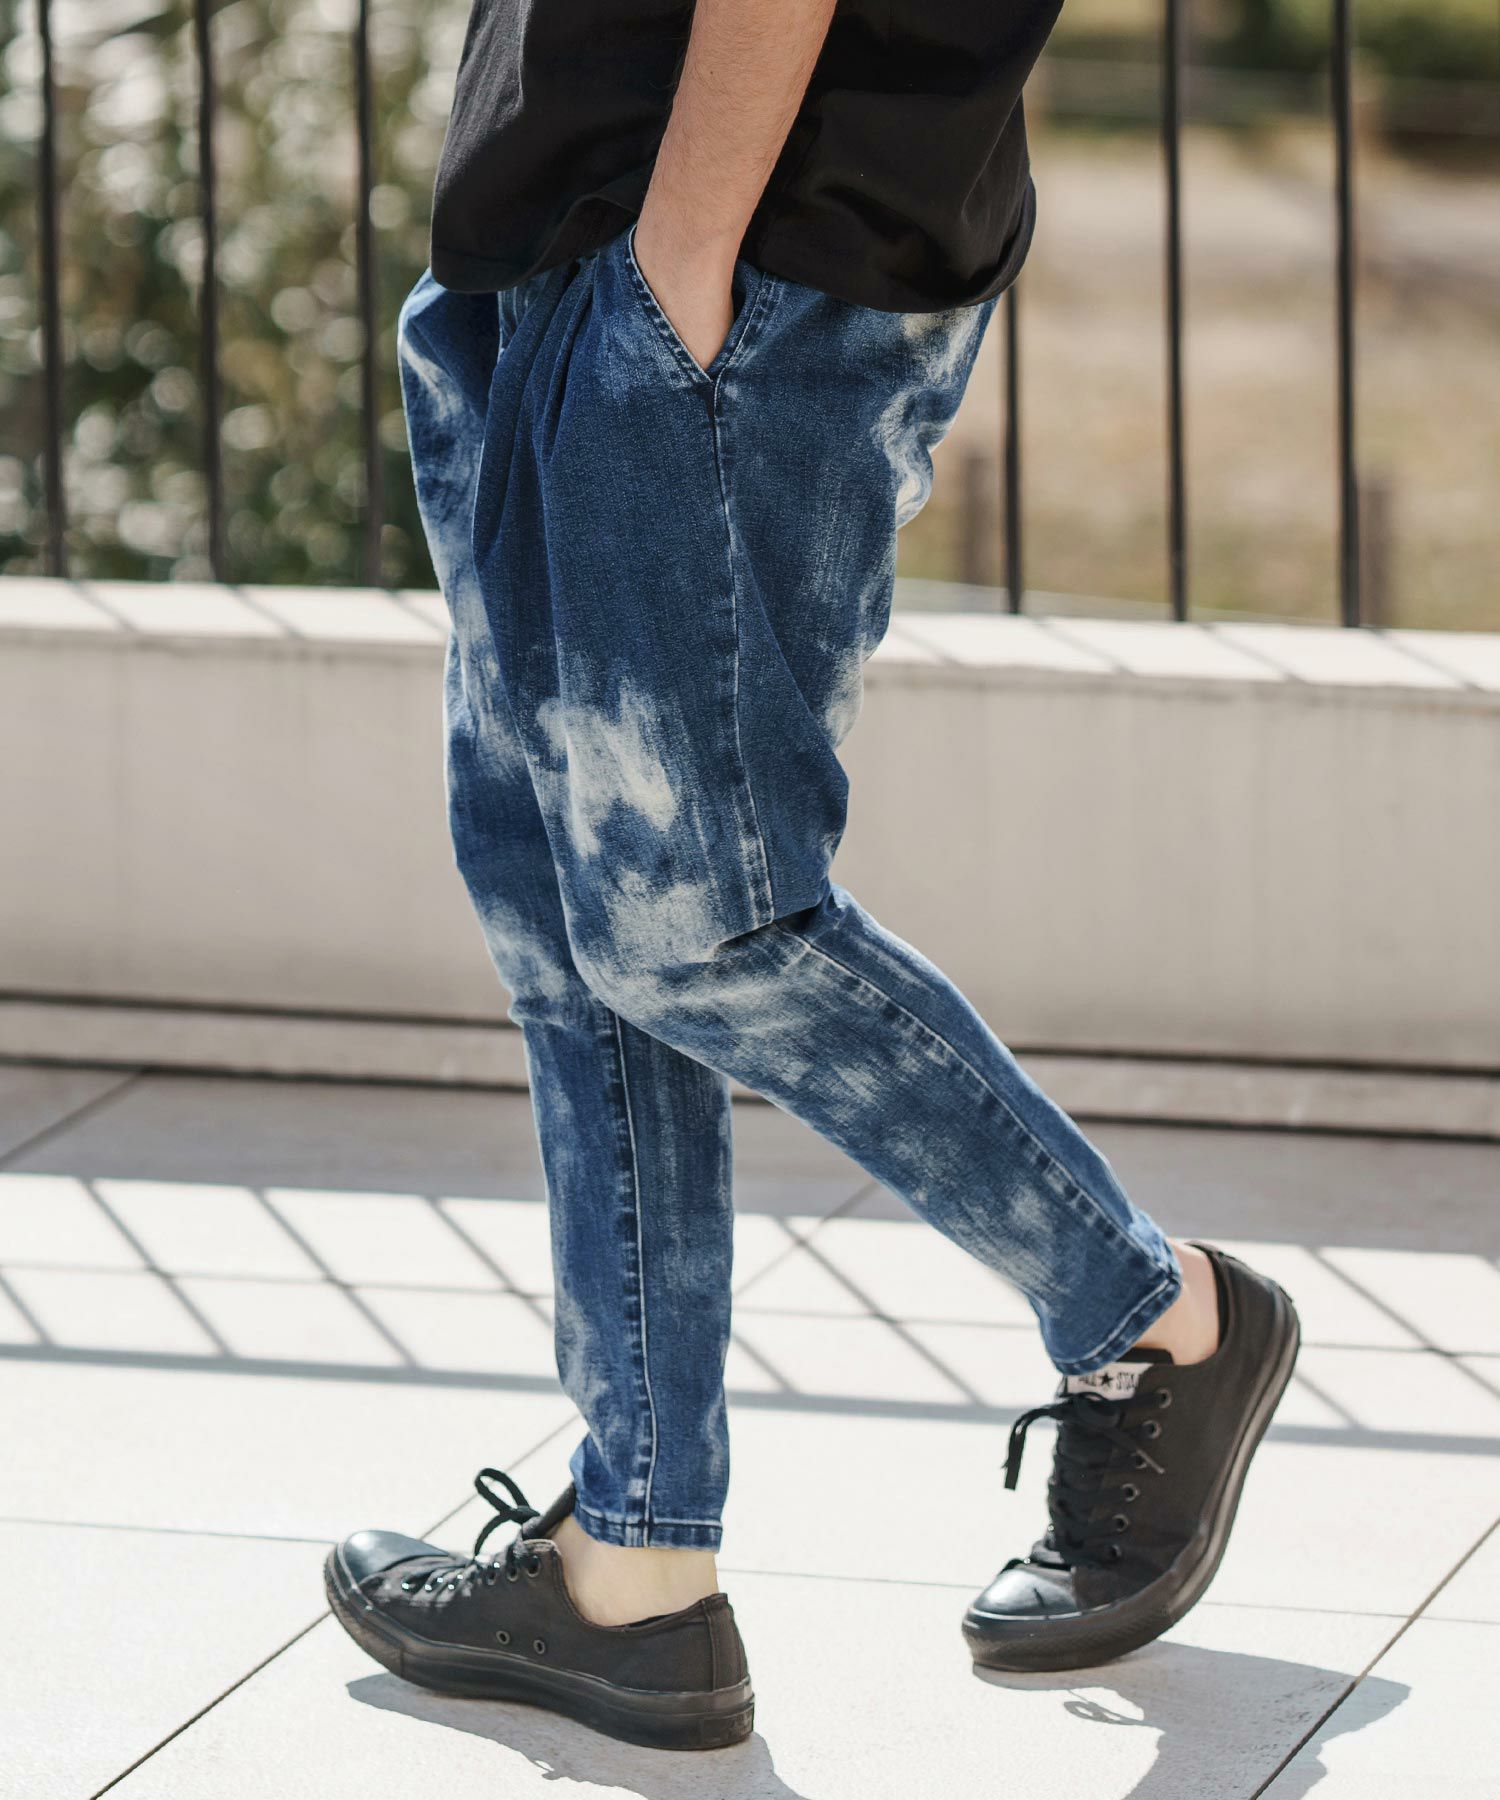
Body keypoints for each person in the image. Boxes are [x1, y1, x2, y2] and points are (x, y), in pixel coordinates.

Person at [324, 0, 1300, 1752]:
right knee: (572, 934)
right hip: (557, 245)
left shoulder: (706, 266)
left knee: (694, 923)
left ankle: (1155, 1313)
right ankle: (635, 1566)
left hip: (742, 255)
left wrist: (680, 262)